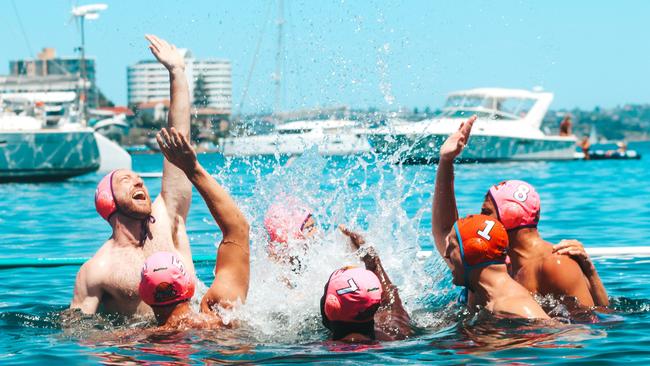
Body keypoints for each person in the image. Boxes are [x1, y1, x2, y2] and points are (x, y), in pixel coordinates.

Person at [71, 35, 196, 316]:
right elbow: (77, 331)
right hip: (143, 350)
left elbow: (180, 143)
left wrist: (177, 73)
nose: (139, 181)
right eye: (125, 181)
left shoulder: (168, 218)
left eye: (138, 178)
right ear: (108, 202)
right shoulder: (98, 269)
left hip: (196, 341)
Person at [432, 116, 609, 311]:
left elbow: (589, 327)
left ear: (510, 216)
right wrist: (446, 162)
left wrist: (590, 274)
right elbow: (446, 232)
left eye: (486, 212)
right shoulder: (490, 260)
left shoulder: (555, 265)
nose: (480, 218)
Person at [139, 126, 250, 328]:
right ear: (189, 285)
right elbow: (238, 229)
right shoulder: (220, 316)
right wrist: (193, 169)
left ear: (145, 296)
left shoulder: (134, 338)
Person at [443, 214, 549, 319]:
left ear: (472, 251)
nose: (446, 254)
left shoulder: (514, 309)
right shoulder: (477, 291)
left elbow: (555, 331)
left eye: (451, 246)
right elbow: (443, 229)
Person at [320, 226, 412, 342]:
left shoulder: (312, 351)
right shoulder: (397, 334)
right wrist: (372, 261)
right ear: (375, 306)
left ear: (329, 307)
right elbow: (391, 304)